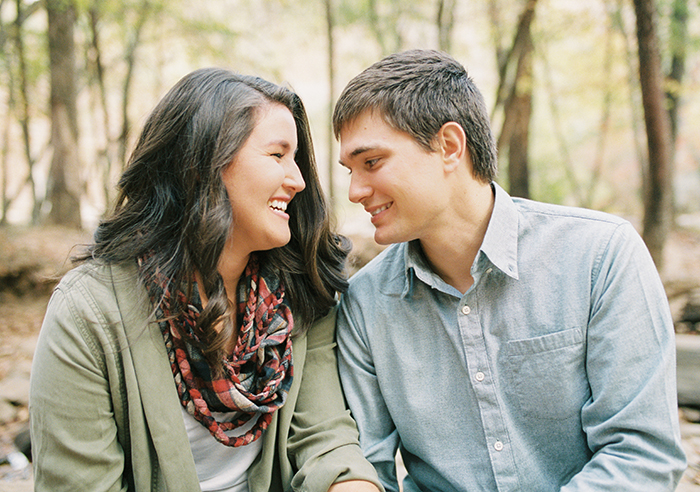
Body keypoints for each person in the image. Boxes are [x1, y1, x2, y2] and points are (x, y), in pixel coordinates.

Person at [333, 49, 686, 492]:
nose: (354, 191)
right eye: (349, 170)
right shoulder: (364, 303)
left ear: (449, 146)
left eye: (372, 162)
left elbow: (642, 453)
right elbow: (364, 467)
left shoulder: (600, 256)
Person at [29, 67, 383, 492]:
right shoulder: (89, 313)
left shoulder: (301, 291)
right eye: (277, 156)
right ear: (200, 166)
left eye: (297, 159)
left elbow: (326, 441)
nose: (299, 180)